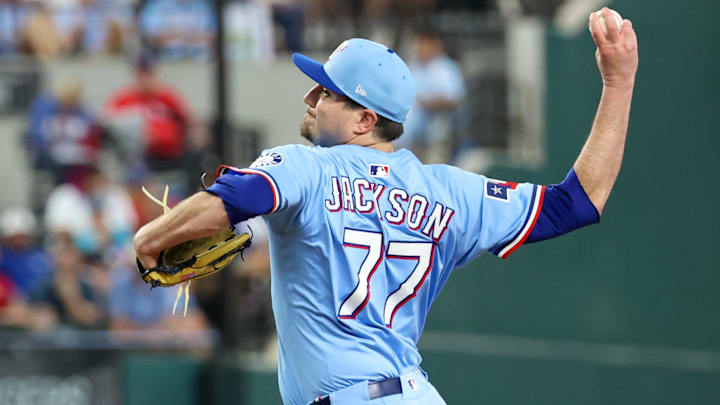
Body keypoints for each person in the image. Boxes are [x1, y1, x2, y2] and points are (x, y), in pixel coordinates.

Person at [134, 9, 638, 404]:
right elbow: (577, 202)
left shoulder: (307, 167)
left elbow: (241, 196)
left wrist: (151, 240)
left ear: (363, 120)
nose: (311, 97)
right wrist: (618, 83)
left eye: (327, 91)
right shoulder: (451, 191)